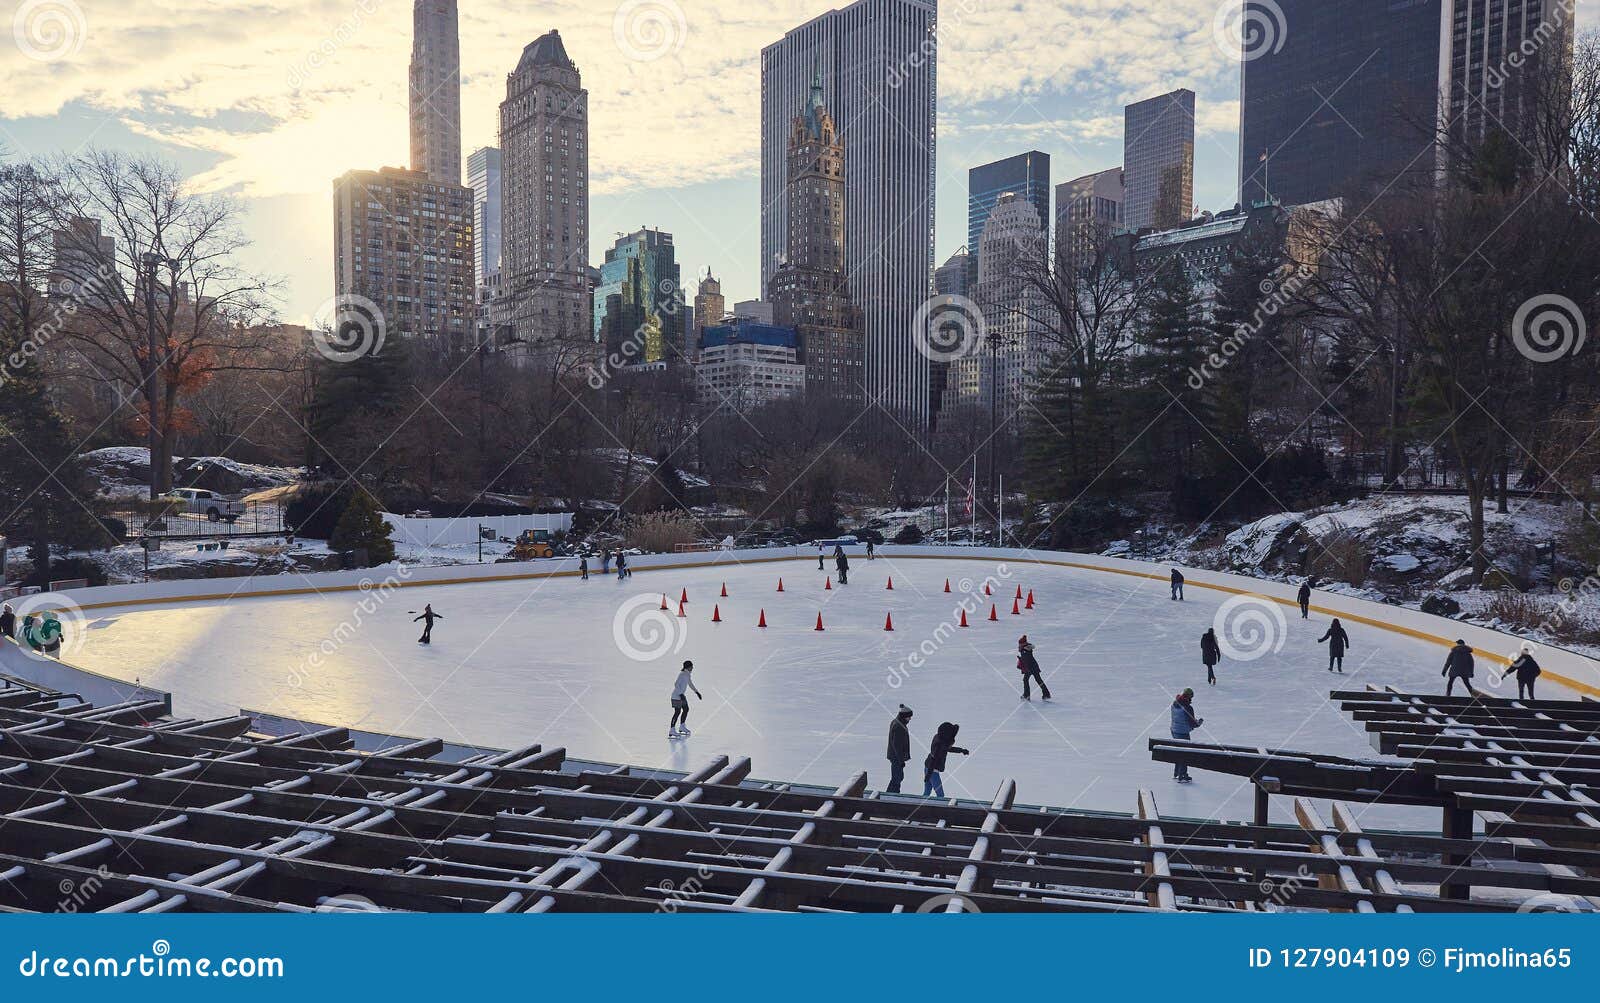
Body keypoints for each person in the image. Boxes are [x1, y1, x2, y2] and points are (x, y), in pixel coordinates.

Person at [922, 721, 969, 798]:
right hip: (932, 770)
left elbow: (948, 749)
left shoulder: (940, 739)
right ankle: (939, 809)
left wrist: (961, 750)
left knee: (927, 792)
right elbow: (934, 760)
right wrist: (928, 775)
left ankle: (920, 805)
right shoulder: (940, 745)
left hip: (928, 767)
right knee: (940, 795)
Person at [1169, 689, 1203, 783]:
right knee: (1184, 753)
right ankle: (1182, 774)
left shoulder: (1174, 704)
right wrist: (1199, 722)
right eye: (1191, 697)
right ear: (1188, 696)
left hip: (1174, 730)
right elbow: (1193, 723)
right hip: (1182, 732)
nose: (1191, 699)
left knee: (1178, 751)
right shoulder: (1188, 707)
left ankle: (1176, 773)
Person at [669, 659, 703, 738]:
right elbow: (676, 684)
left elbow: (690, 684)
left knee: (686, 709)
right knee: (677, 712)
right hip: (676, 696)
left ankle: (682, 726)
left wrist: (696, 692)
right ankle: (672, 730)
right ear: (688, 667)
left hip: (681, 696)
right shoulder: (682, 674)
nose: (692, 668)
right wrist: (680, 694)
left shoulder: (687, 675)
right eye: (691, 666)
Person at [885, 704, 913, 794]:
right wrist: (901, 760)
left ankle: (891, 794)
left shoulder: (898, 723)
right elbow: (897, 745)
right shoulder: (898, 726)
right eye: (909, 717)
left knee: (898, 777)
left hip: (895, 756)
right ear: (904, 716)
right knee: (897, 777)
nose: (910, 719)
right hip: (896, 757)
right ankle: (892, 795)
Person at [1016, 635, 1051, 700]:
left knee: (1026, 680)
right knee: (1038, 680)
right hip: (1033, 666)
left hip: (1030, 667)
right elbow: (1027, 658)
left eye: (1020, 643)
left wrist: (1021, 660)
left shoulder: (1025, 649)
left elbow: (1027, 659)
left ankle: (1026, 695)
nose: (1019, 645)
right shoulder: (1025, 649)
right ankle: (1046, 694)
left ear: (1023, 643)